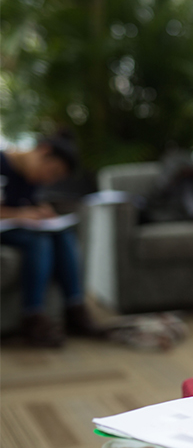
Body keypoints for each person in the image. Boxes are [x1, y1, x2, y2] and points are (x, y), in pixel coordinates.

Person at [0, 130, 102, 347]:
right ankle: (33, 316)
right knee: (39, 240)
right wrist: (19, 214)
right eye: (53, 172)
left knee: (62, 234)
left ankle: (75, 308)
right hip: (7, 229)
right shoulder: (3, 163)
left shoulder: (31, 178)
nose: (49, 179)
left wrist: (40, 211)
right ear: (43, 151)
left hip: (20, 229)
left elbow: (26, 203)